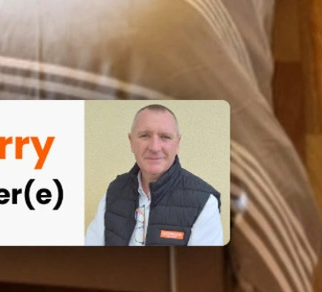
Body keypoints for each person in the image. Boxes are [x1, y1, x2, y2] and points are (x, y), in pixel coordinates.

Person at [84, 103, 222, 246]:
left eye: (165, 137)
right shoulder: (114, 191)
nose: (155, 147)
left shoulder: (204, 202)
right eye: (145, 136)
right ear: (131, 142)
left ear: (177, 143)